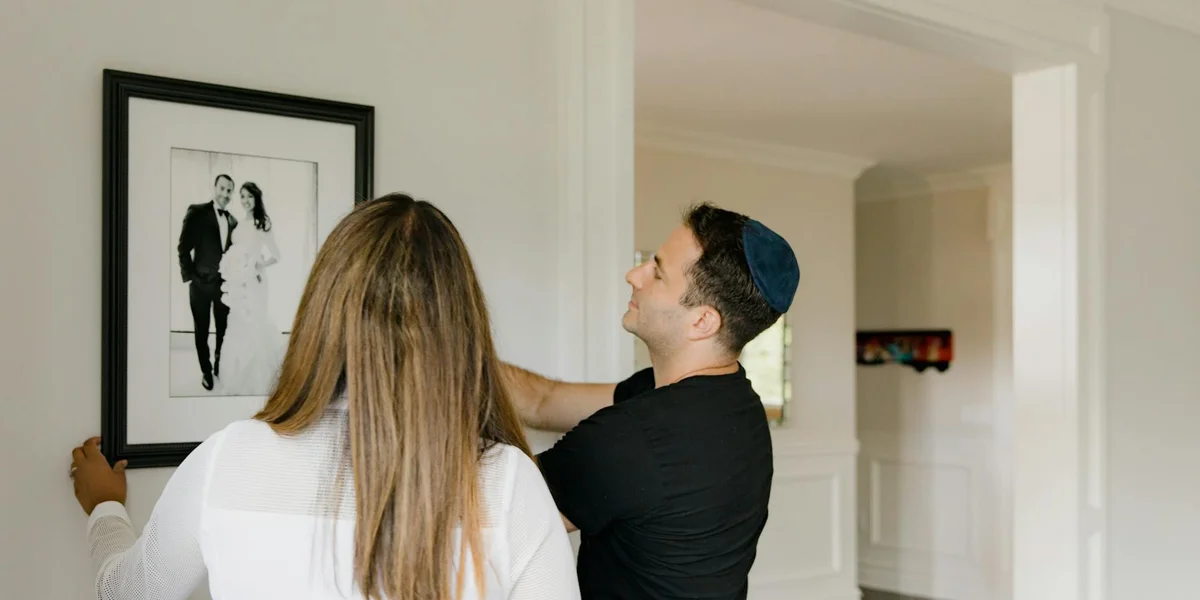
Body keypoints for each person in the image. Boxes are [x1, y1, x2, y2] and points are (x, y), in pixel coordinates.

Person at [70, 193, 581, 599]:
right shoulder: (509, 484)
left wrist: (105, 508)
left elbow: (123, 593)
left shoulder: (230, 459)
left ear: (321, 310)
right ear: (461, 328)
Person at [503, 203, 799, 599]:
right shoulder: (737, 406)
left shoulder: (632, 437)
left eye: (656, 272)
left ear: (702, 321)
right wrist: (460, 350)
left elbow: (493, 519)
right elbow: (543, 401)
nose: (634, 275)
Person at [217, 181, 284, 396]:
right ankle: (234, 375)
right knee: (236, 322)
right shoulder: (239, 223)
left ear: (257, 198)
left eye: (249, 197)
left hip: (255, 281)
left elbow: (276, 255)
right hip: (238, 282)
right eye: (242, 197)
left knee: (254, 321)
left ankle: (258, 378)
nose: (245, 201)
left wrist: (259, 264)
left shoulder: (262, 222)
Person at [177, 174, 237, 391]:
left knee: (223, 329)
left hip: (223, 287)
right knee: (201, 331)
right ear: (214, 188)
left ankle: (220, 365)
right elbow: (183, 248)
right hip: (200, 286)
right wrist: (190, 277)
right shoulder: (197, 212)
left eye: (229, 190)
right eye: (222, 188)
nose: (225, 194)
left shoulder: (233, 221)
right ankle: (206, 371)